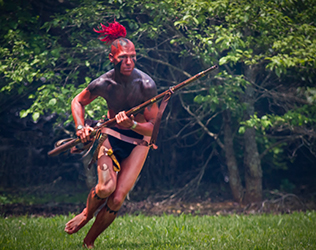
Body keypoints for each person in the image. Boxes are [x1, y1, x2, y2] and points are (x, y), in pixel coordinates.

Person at [64, 21, 158, 248]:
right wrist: (81, 127)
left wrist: (134, 124)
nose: (129, 62)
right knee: (106, 188)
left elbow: (153, 127)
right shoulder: (103, 83)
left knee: (116, 199)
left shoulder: (146, 84)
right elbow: (78, 101)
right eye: (124, 57)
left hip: (139, 140)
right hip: (110, 133)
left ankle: (89, 242)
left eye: (133, 57)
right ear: (111, 58)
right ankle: (87, 213)